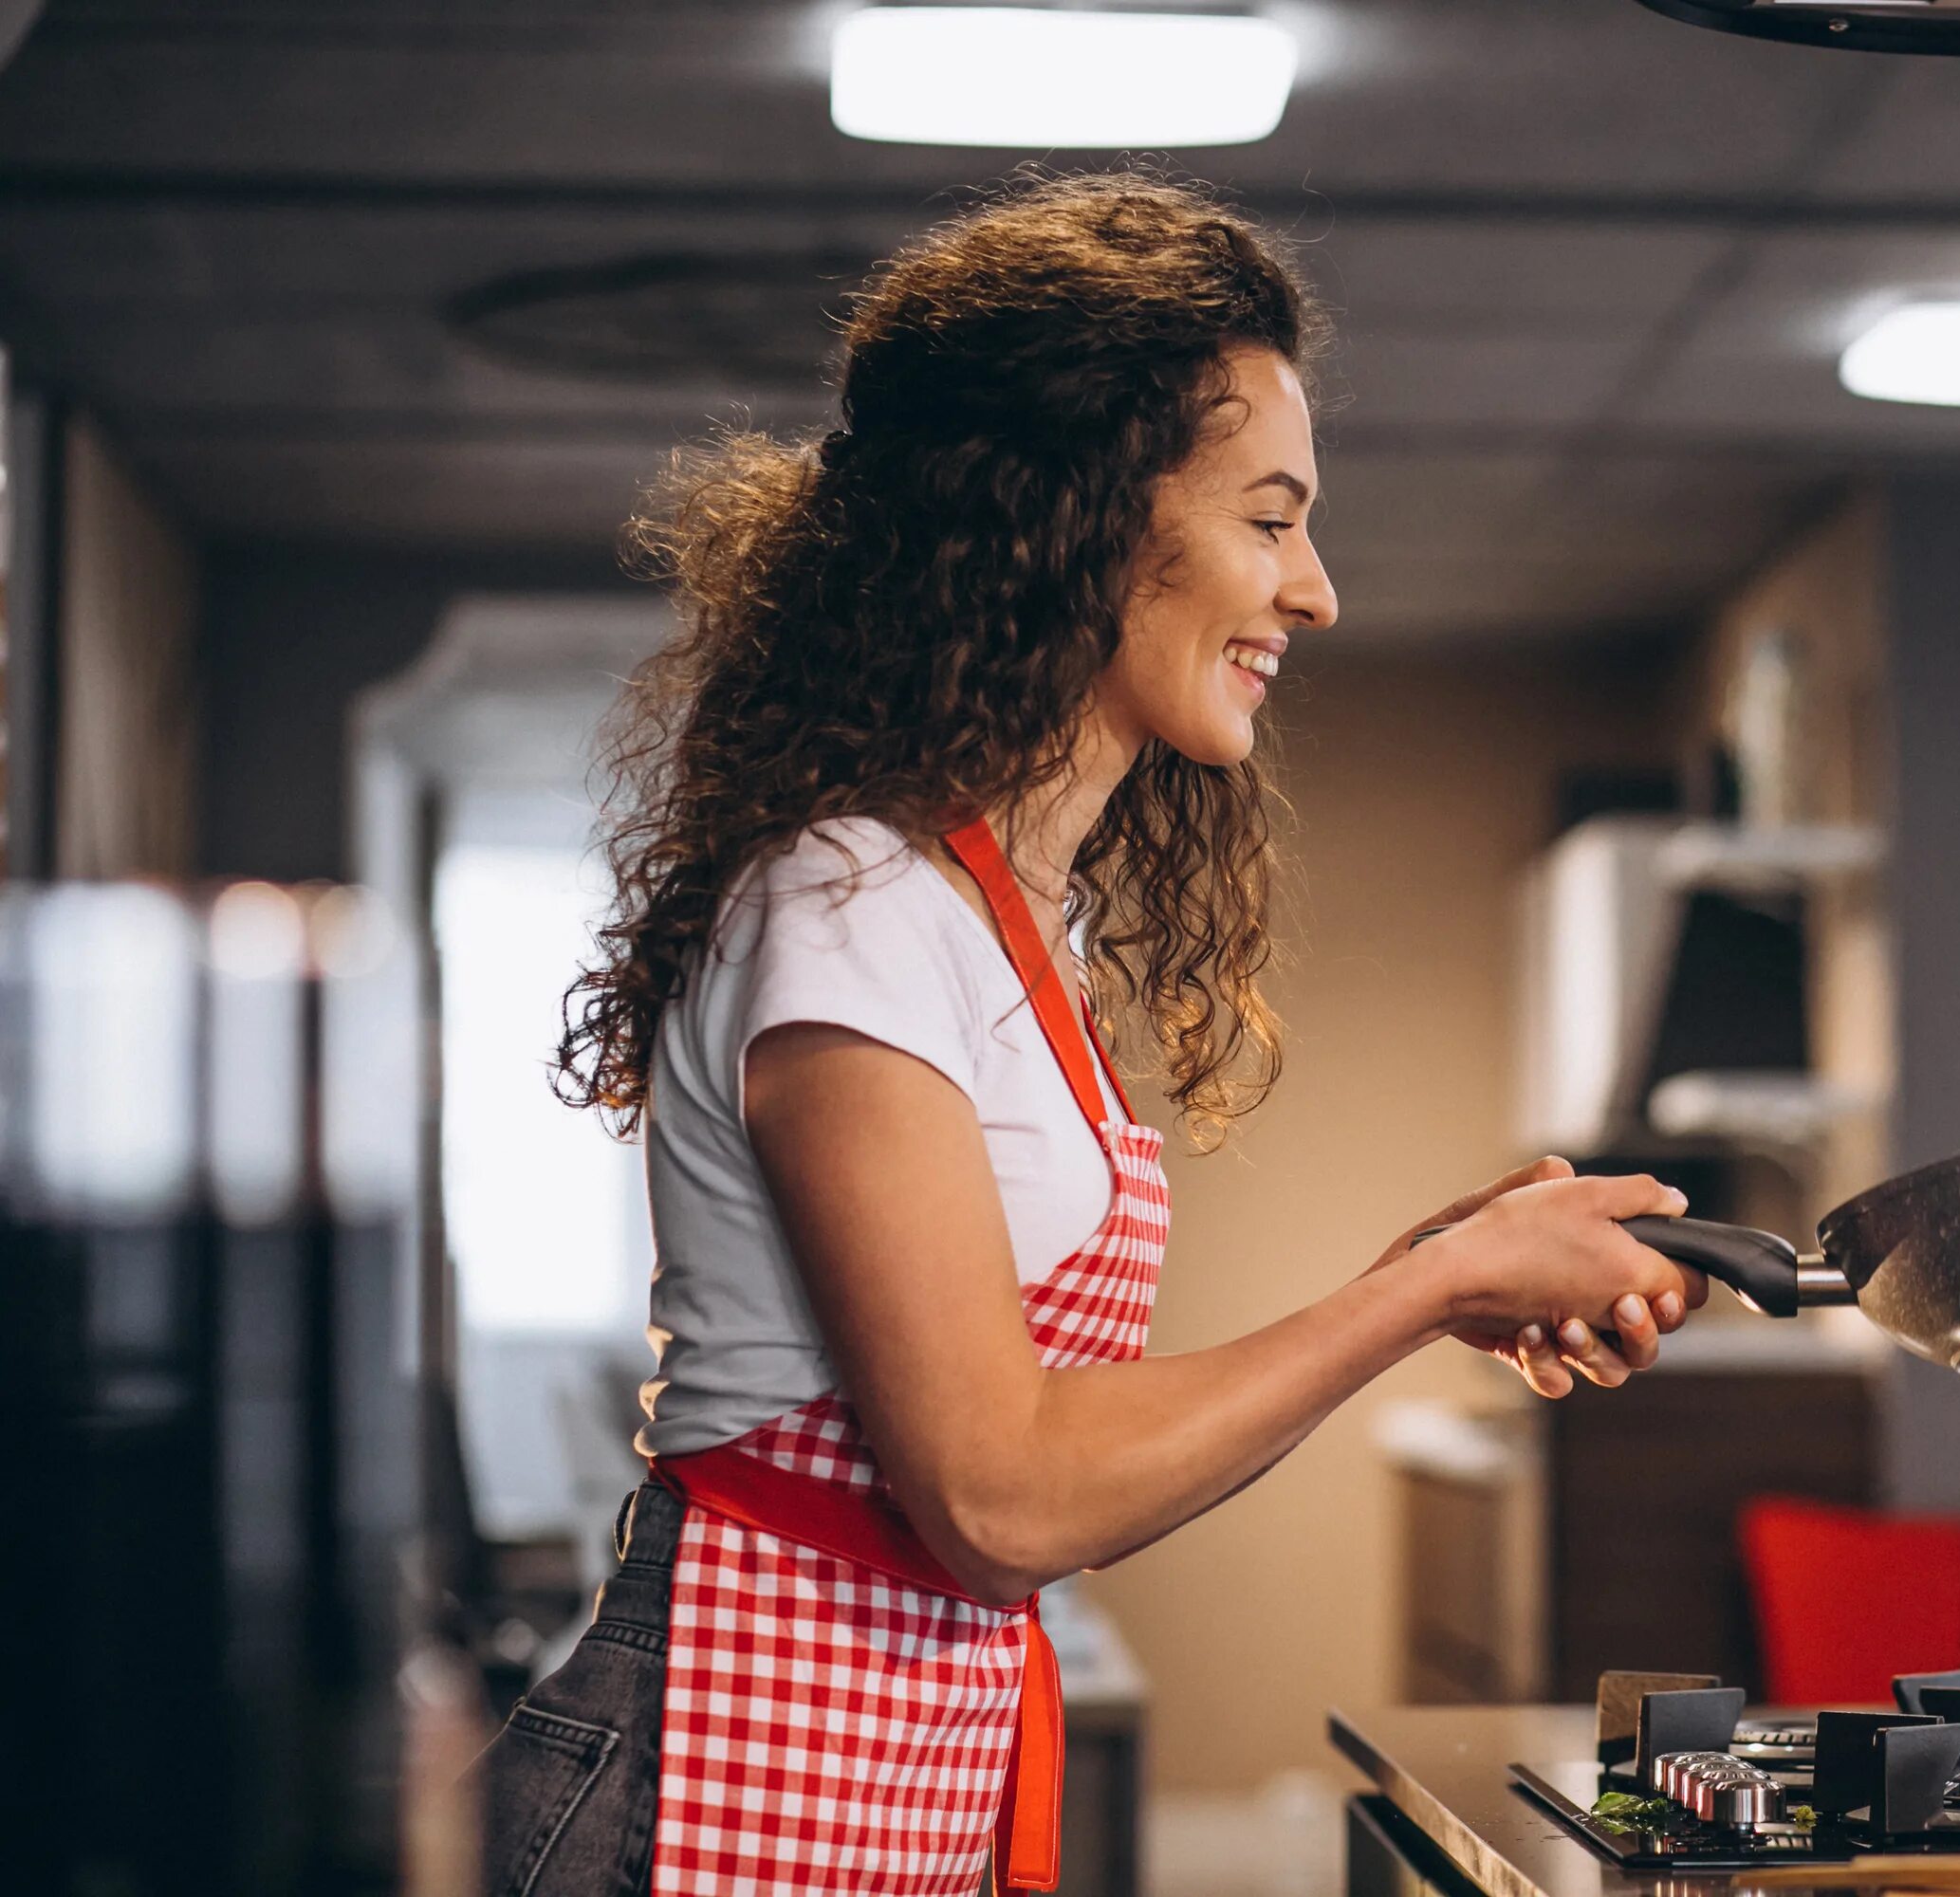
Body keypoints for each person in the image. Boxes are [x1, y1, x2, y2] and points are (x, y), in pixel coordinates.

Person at [474, 172, 1705, 1897]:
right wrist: (1415, 1294)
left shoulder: (994, 913)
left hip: (882, 1776)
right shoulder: (851, 906)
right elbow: (1001, 1500)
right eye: (1270, 519)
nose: (1319, 592)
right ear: (1077, 521)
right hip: (712, 1787)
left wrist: (1461, 1266)